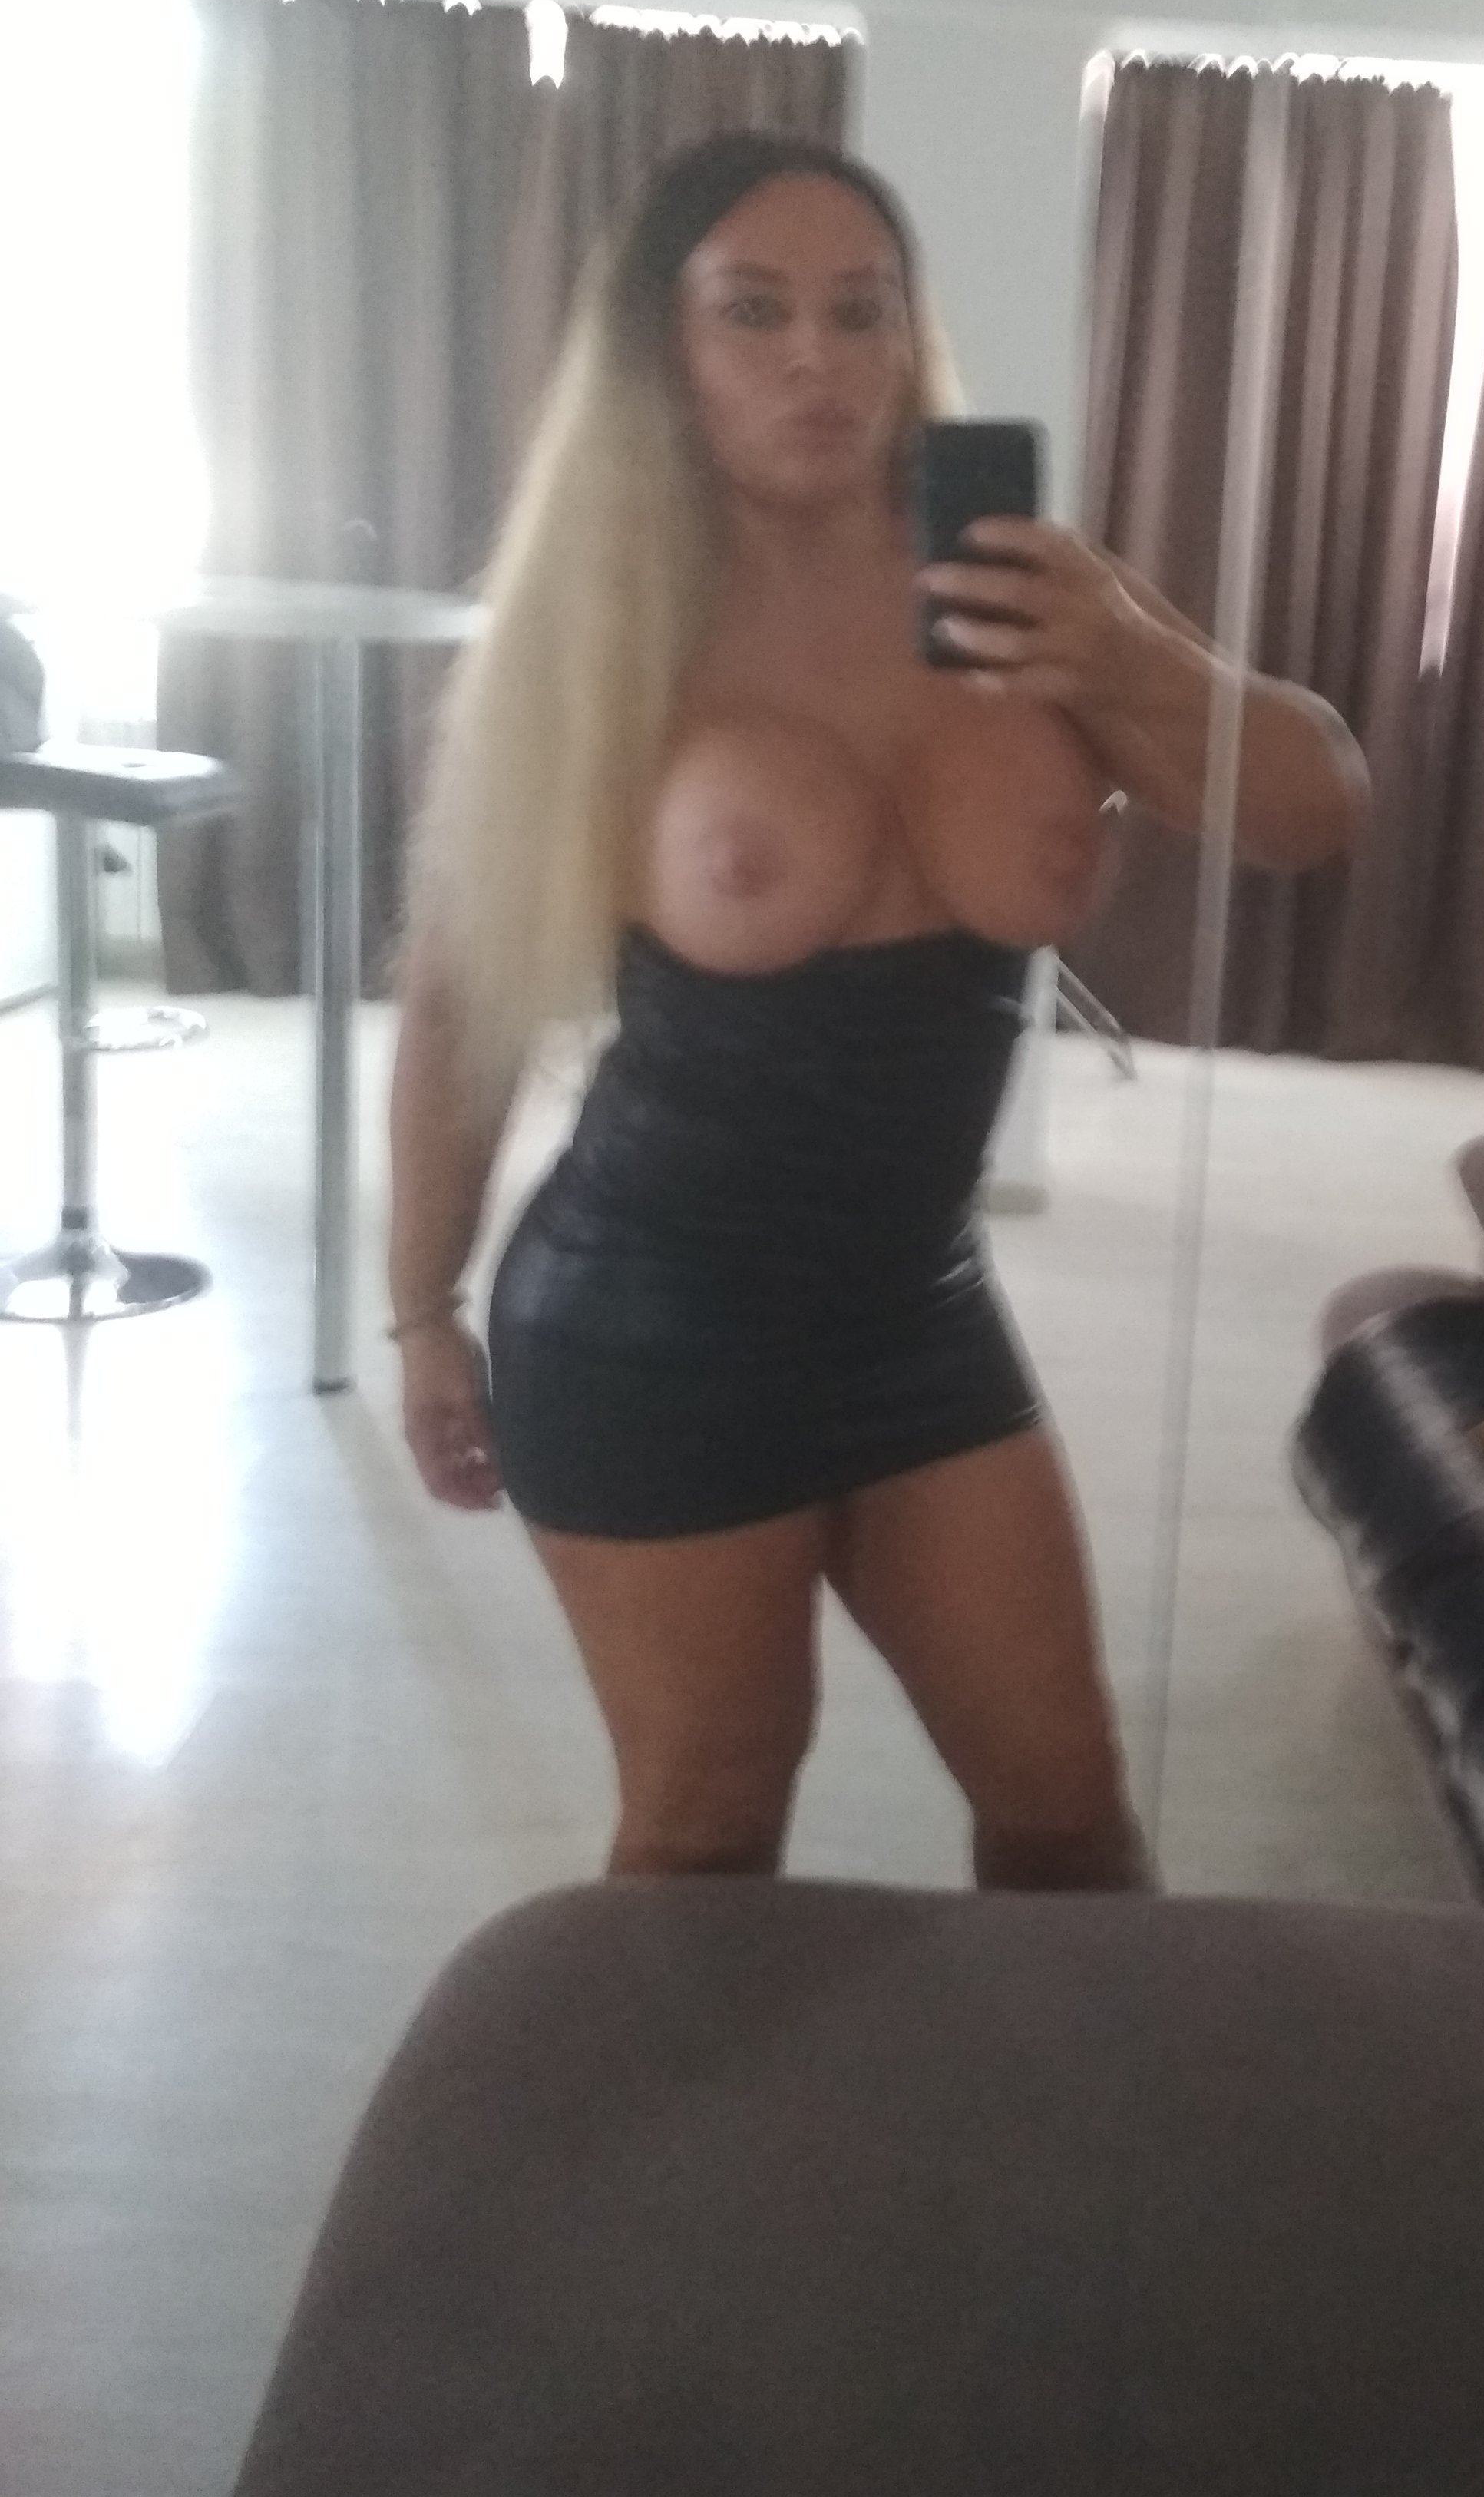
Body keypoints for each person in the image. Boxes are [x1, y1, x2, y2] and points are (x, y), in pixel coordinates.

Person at [389, 131, 1364, 1890]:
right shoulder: (612, 630)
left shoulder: (1025, 594)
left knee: (1065, 1803)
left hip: (920, 1309)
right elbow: (461, 1009)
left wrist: (1130, 658)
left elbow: (1317, 810)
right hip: (650, 1326)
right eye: (753, 311)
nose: (817, 360)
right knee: (710, 1825)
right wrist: (420, 1310)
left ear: (914, 336)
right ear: (666, 346)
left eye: (862, 310)